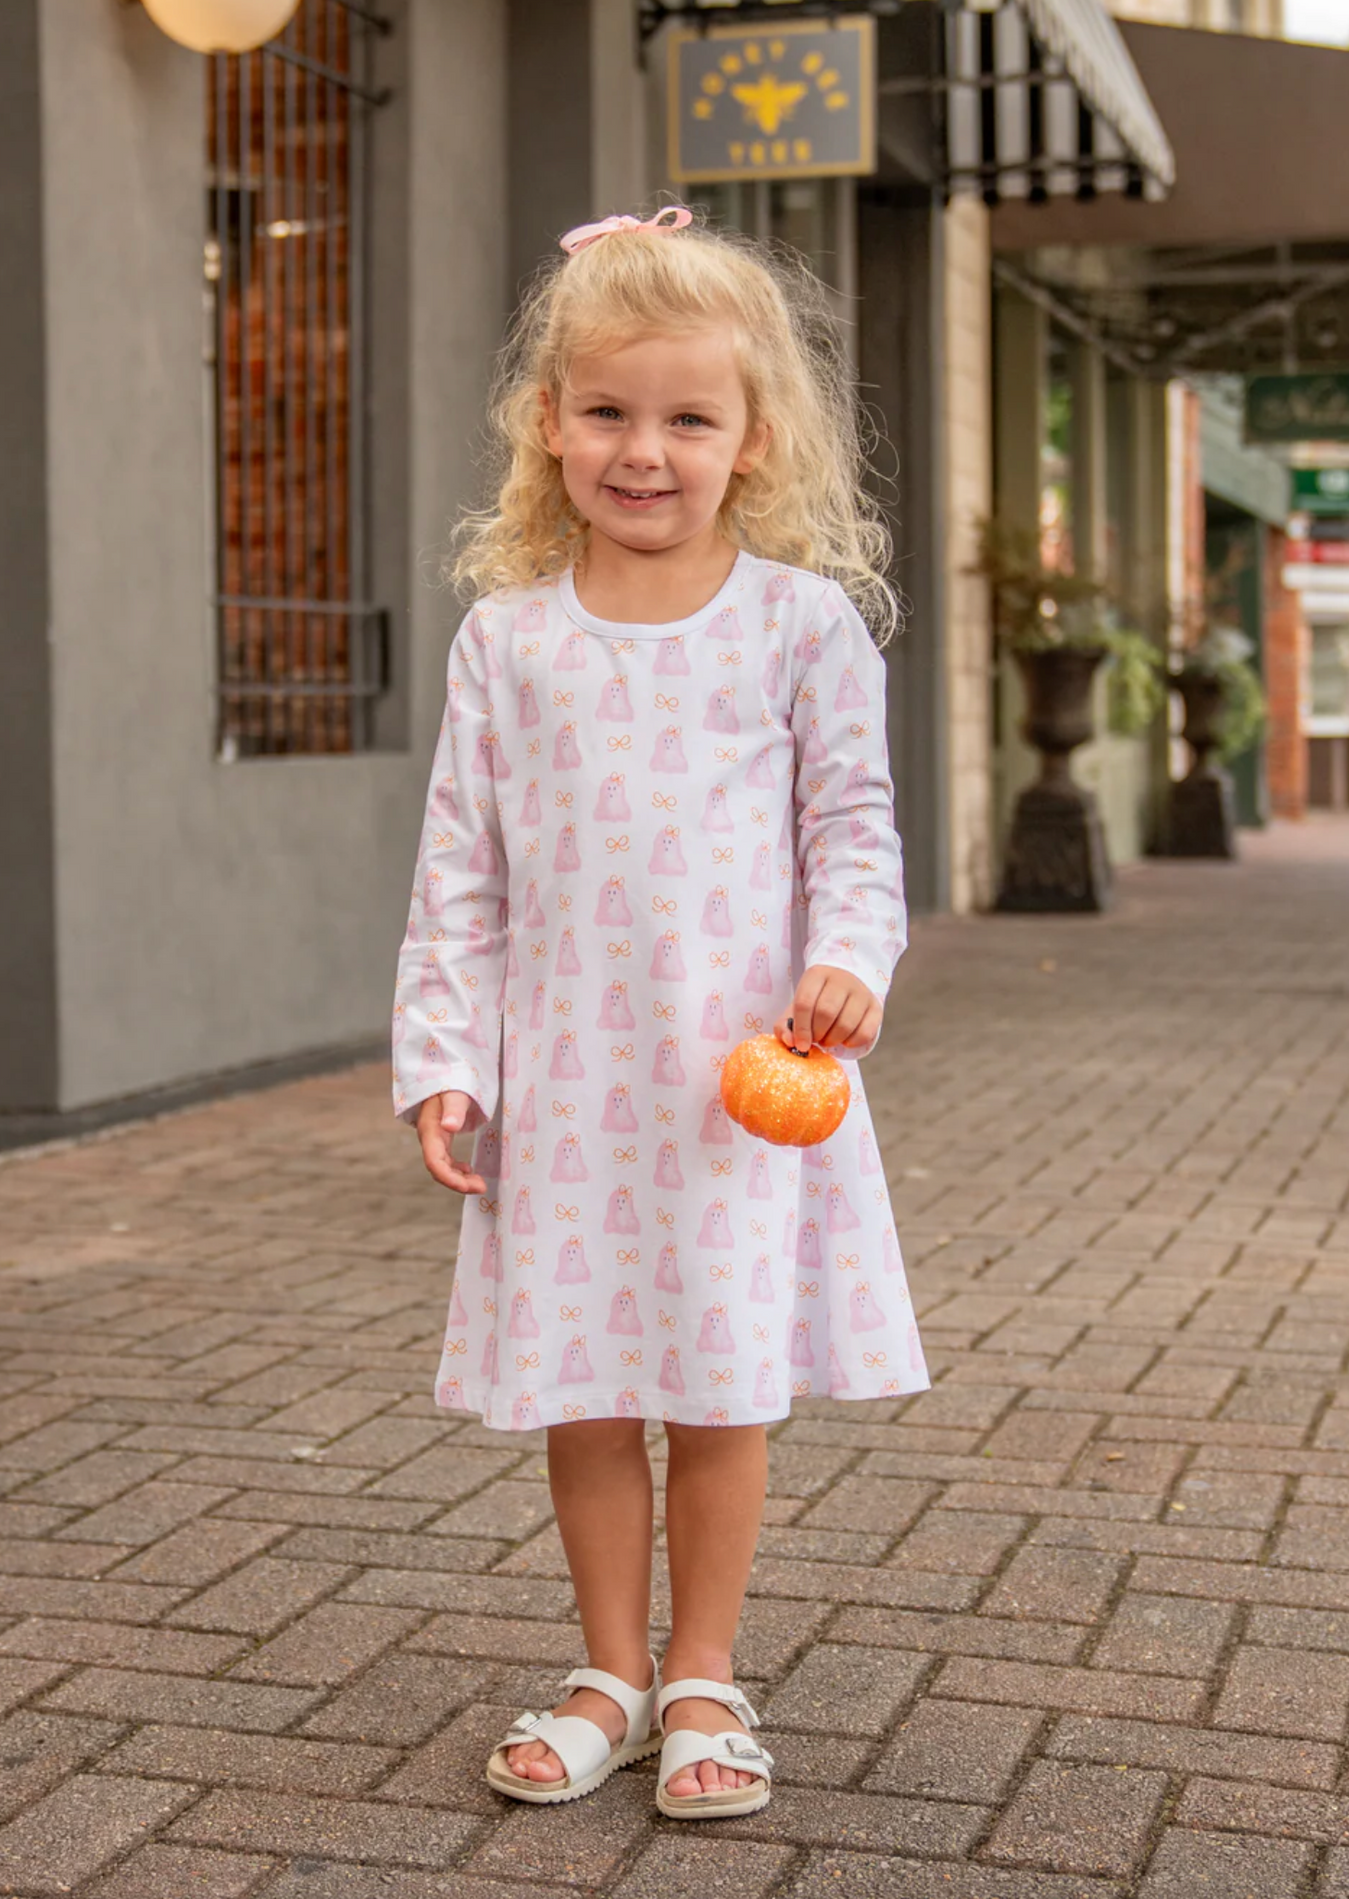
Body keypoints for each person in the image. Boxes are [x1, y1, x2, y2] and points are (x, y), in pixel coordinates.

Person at [391, 204, 928, 1820]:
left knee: (717, 1379)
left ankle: (704, 1671)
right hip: (563, 1084)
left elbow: (855, 826)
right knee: (584, 1378)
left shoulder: (799, 626)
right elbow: (459, 875)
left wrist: (850, 956)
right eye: (609, 412)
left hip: (734, 1088)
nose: (646, 450)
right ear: (546, 426)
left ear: (753, 437)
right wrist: (441, 1060)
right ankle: (608, 1667)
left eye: (689, 417)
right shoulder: (510, 642)